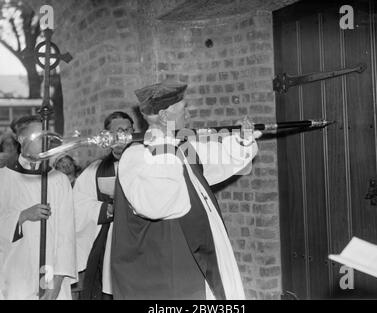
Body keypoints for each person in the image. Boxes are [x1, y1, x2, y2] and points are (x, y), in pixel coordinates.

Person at [111, 81, 262, 300]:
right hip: (170, 266)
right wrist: (164, 149)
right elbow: (157, 206)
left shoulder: (182, 145)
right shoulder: (135, 156)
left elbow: (222, 159)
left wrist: (241, 139)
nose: (189, 116)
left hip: (205, 249)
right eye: (184, 109)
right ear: (164, 117)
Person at [0, 115, 77, 300]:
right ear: (21, 139)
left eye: (45, 136)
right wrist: (23, 215)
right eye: (37, 136)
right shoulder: (3, 178)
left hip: (50, 269)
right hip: (15, 271)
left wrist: (56, 283)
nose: (43, 142)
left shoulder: (58, 180)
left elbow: (67, 235)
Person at [73, 111, 134, 300]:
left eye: (127, 130)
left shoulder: (147, 162)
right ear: (106, 136)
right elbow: (77, 204)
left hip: (143, 238)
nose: (122, 136)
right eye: (117, 132)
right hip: (110, 240)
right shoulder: (95, 170)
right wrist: (106, 209)